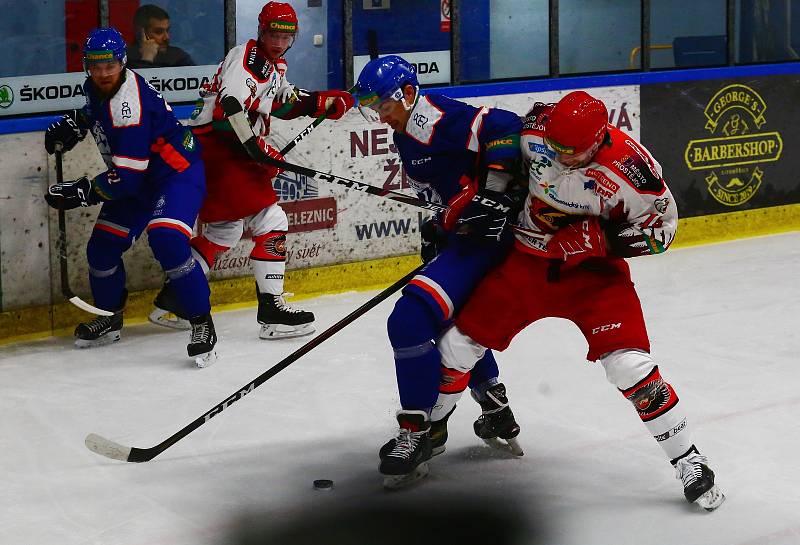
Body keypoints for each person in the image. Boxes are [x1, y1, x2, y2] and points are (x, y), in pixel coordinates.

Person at [436, 90, 726, 511]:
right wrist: (478, 200)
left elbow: (662, 232)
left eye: (569, 152)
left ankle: (689, 459)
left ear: (598, 140)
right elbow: (496, 149)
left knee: (631, 367)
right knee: (456, 346)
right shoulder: (537, 127)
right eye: (552, 148)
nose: (556, 158)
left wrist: (600, 239)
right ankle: (429, 431)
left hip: (593, 275)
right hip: (528, 263)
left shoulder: (633, 169)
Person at [353, 55, 525, 488]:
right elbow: (440, 192)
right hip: (466, 237)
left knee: (410, 320)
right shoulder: (405, 130)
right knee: (452, 319)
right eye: (373, 107)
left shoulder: (434, 117)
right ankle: (492, 399)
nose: (380, 115)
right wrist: (436, 225)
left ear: (408, 93)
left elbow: (506, 126)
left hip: (490, 239)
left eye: (384, 105)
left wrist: (493, 194)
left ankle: (418, 432)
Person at [148, 1, 354, 339]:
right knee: (271, 219)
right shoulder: (250, 62)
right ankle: (271, 310)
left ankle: (174, 299)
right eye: (273, 34)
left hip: (217, 149)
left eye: (286, 37)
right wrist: (257, 149)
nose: (279, 42)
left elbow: (284, 102)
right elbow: (227, 113)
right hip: (221, 148)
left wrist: (325, 102)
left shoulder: (271, 65)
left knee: (223, 233)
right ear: (261, 31)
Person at [42, 27, 217, 367]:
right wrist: (78, 122)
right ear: (87, 66)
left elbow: (125, 179)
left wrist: (81, 192)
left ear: (121, 62)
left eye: (109, 65)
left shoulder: (129, 108)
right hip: (138, 177)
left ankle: (200, 322)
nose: (103, 73)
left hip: (175, 174)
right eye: (96, 65)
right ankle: (110, 317)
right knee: (102, 249)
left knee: (166, 239)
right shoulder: (99, 85)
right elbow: (96, 111)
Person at [127, 4, 194, 69]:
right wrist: (147, 57)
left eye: (167, 30)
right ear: (141, 33)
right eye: (158, 32)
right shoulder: (125, 59)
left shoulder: (178, 57)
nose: (166, 37)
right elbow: (137, 80)